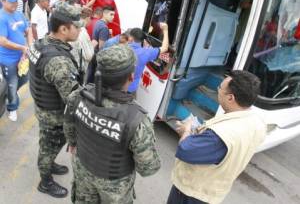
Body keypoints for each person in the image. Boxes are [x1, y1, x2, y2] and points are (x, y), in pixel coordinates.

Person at [65, 44, 161, 203]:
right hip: (115, 186)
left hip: (82, 169)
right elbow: (148, 168)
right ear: (131, 77)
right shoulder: (136, 119)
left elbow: (69, 126)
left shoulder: (78, 95)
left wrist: (74, 143)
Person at [167, 70, 267, 204]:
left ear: (230, 98)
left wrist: (186, 130)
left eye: (220, 88)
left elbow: (184, 150)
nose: (218, 90)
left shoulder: (219, 135)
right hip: (215, 191)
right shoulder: (258, 123)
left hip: (192, 194)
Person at [28, 2, 83, 198]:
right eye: (77, 27)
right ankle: (45, 181)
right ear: (63, 29)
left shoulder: (42, 43)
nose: (80, 30)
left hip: (44, 108)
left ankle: (49, 164)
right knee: (48, 147)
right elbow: (72, 97)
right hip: (53, 115)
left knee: (48, 145)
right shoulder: (58, 61)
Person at [0, 0, 31, 122]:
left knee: (24, 79)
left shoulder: (19, 14)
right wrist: (22, 47)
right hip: (8, 59)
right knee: (12, 83)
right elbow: (3, 41)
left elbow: (28, 30)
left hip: (23, 57)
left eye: (15, 2)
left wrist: (28, 47)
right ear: (3, 1)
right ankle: (12, 107)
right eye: (11, 2)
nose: (14, 4)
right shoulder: (1, 18)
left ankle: (10, 92)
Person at [128, 23, 169, 93]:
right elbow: (165, 48)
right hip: (130, 88)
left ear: (131, 37)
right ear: (143, 40)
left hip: (115, 86)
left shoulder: (121, 45)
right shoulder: (146, 52)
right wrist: (165, 30)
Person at [70, 7, 94, 76]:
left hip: (73, 65)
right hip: (80, 68)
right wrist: (92, 46)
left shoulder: (74, 27)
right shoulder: (82, 31)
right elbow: (88, 56)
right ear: (88, 18)